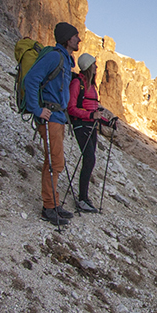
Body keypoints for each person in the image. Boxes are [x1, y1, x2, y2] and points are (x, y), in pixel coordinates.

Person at [23, 22, 80, 225]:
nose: (78, 39)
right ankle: (49, 207)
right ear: (67, 38)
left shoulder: (65, 60)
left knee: (55, 162)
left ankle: (54, 203)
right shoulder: (54, 56)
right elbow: (30, 80)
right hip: (50, 118)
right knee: (54, 163)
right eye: (75, 36)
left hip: (58, 118)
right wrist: (37, 109)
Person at [67, 52, 113, 213]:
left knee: (90, 161)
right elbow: (71, 108)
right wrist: (89, 115)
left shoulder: (91, 85)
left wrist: (108, 123)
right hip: (81, 126)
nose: (96, 66)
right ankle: (82, 199)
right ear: (87, 66)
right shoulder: (77, 84)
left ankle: (84, 198)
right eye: (94, 64)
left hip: (91, 127)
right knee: (89, 159)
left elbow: (94, 110)